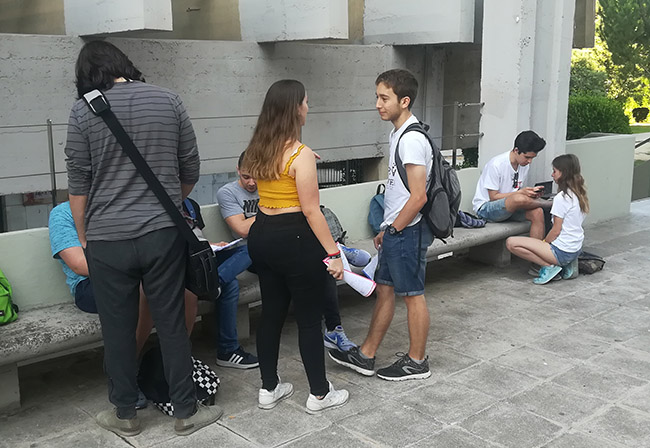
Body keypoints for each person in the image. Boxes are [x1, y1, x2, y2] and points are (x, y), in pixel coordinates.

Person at [64, 40, 220, 437]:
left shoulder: (82, 111)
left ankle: (125, 414)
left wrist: (85, 236)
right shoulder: (169, 100)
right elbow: (190, 167)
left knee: (117, 329)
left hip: (106, 239)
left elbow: (78, 184)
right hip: (161, 234)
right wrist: (167, 202)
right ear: (123, 64)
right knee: (171, 322)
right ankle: (185, 411)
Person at [245, 79, 349, 414]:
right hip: (295, 239)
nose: (308, 106)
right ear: (294, 109)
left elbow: (273, 170)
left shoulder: (258, 148)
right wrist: (333, 253)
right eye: (305, 101)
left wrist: (306, 159)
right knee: (308, 319)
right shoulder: (299, 155)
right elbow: (311, 210)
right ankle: (319, 393)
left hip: (262, 235)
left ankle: (268, 388)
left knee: (271, 313)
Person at [329, 69, 435, 381]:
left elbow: (418, 196)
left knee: (412, 294)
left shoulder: (412, 139)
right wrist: (387, 227)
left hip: (408, 230)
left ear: (405, 101)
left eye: (384, 98)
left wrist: (395, 228)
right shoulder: (398, 134)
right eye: (377, 96)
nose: (378, 104)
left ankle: (417, 362)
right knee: (385, 291)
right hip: (396, 229)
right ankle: (366, 354)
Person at [217, 152, 357, 355]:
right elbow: (242, 229)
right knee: (255, 246)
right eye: (246, 176)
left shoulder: (272, 183)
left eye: (256, 176)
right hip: (253, 252)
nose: (252, 182)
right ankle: (217, 282)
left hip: (285, 246)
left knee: (322, 262)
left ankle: (334, 328)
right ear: (238, 170)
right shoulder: (228, 192)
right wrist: (275, 209)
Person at [506, 154, 589, 284]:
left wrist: (544, 243)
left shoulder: (562, 198)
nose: (552, 175)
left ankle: (549, 266)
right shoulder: (580, 194)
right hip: (576, 248)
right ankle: (568, 264)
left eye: (554, 171)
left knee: (511, 243)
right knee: (535, 245)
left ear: (563, 173)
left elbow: (556, 230)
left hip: (561, 251)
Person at [472, 131, 548, 240]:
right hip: (486, 209)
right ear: (516, 150)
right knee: (518, 198)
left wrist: (529, 194)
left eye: (532, 158)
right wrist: (520, 193)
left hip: (510, 207)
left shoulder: (524, 165)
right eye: (527, 157)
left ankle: (536, 250)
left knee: (538, 212)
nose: (529, 161)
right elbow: (493, 197)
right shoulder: (496, 164)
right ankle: (548, 204)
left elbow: (515, 191)